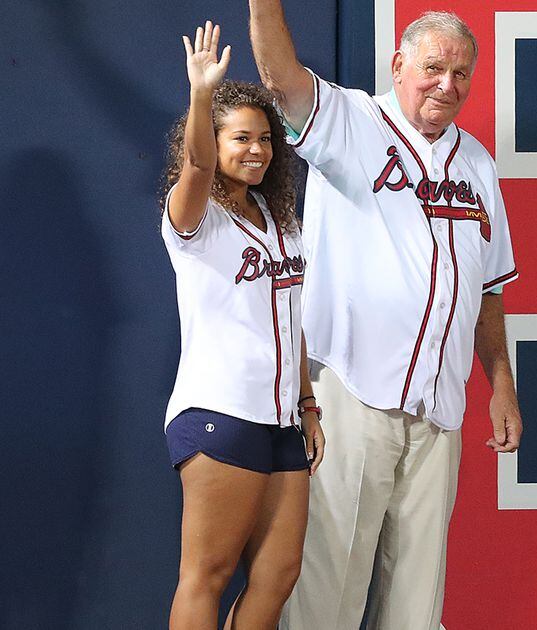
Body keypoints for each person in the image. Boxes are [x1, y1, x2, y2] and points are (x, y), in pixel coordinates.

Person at [247, 4, 523, 628]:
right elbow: (279, 75)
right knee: (326, 596)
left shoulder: (478, 164)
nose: (446, 85)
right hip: (350, 393)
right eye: (432, 68)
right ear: (399, 65)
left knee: (417, 608)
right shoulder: (353, 122)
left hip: (439, 413)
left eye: (460, 74)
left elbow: (489, 291)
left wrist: (502, 384)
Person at [160, 20, 325, 630]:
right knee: (206, 573)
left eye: (264, 139)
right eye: (240, 139)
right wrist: (203, 94)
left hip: (282, 419)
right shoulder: (194, 219)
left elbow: (292, 315)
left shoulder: (280, 222)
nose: (256, 150)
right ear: (212, 138)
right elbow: (199, 167)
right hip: (221, 411)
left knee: (279, 575)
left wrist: (308, 403)